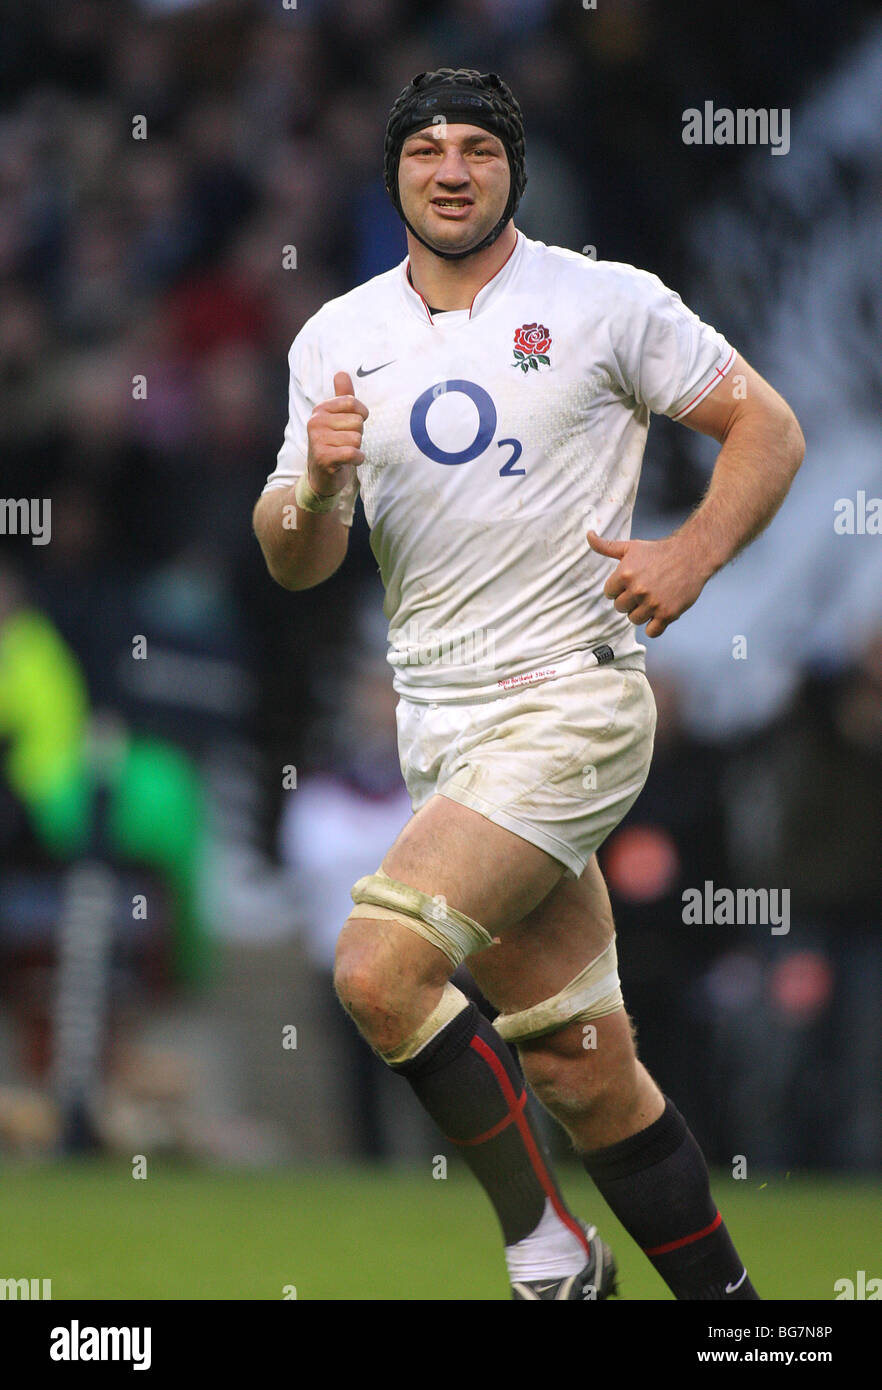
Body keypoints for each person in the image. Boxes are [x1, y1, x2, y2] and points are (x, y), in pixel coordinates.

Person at [252, 68, 804, 1300]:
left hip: (573, 698)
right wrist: (316, 488)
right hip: (440, 731)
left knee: (377, 969)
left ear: (514, 169)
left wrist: (691, 553)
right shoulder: (338, 336)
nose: (452, 168)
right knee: (582, 1070)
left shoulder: (606, 303)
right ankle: (745, 1325)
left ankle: (550, 1253)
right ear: (394, 171)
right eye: (428, 148)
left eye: (479, 149)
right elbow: (293, 554)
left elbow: (769, 427)